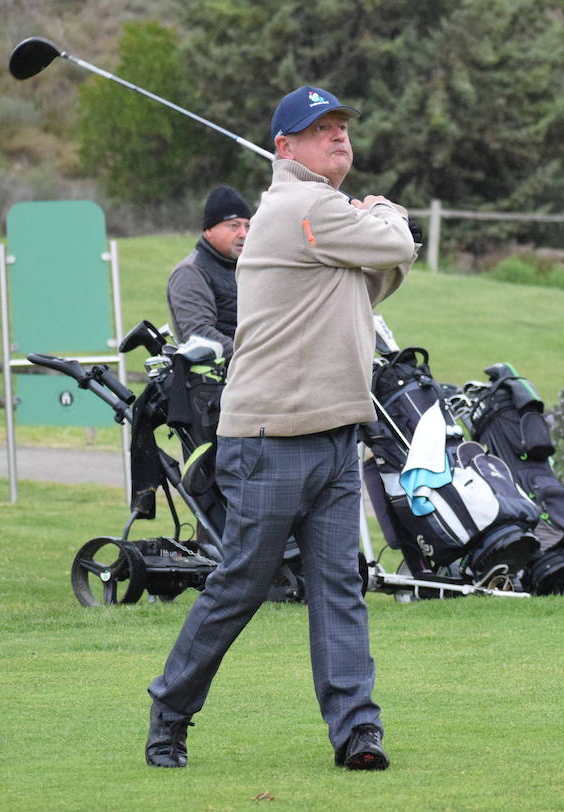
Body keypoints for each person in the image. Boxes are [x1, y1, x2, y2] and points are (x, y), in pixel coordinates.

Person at [146, 85, 418, 771]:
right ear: (285, 148)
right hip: (270, 440)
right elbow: (397, 239)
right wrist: (383, 209)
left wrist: (377, 232)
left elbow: (379, 272)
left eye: (342, 128)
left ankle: (358, 732)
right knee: (240, 586)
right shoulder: (301, 207)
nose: (338, 138)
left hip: (332, 435)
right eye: (319, 129)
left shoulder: (316, 217)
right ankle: (169, 712)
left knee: (338, 589)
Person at [166, 185, 252, 359]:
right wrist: (253, 357)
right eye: (233, 226)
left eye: (247, 226)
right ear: (209, 230)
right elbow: (199, 335)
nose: (243, 234)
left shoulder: (247, 267)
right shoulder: (190, 272)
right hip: (218, 380)